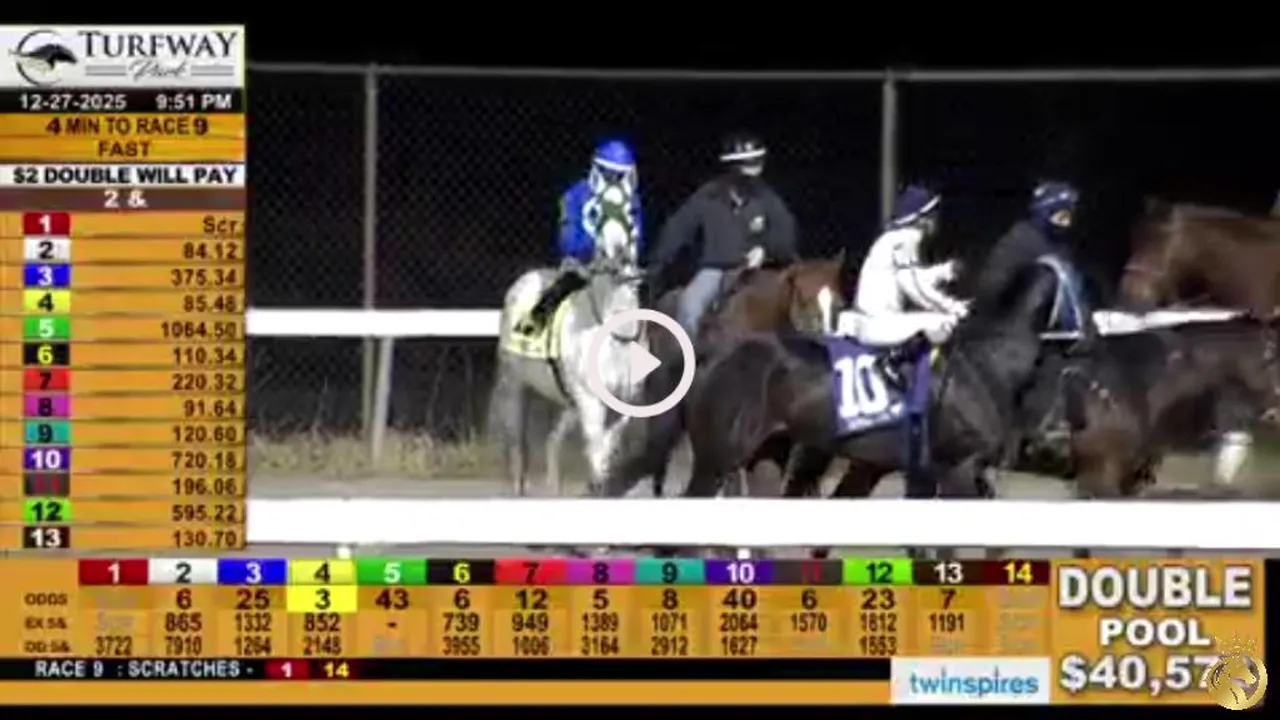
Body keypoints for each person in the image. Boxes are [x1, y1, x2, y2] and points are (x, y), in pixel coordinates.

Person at [652, 131, 799, 342]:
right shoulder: (708, 195)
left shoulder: (768, 198)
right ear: (732, 167)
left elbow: (786, 234)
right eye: (747, 164)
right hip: (715, 269)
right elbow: (679, 227)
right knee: (689, 305)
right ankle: (690, 356)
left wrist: (766, 249)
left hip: (755, 271)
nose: (753, 170)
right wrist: (658, 261)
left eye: (757, 162)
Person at [515, 139, 642, 336]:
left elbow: (637, 236)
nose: (614, 182)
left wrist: (629, 255)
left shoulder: (632, 201)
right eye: (609, 175)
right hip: (582, 266)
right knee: (564, 286)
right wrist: (591, 250)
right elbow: (567, 239)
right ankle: (533, 324)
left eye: (619, 176)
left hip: (620, 271)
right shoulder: (575, 195)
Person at [849, 184, 968, 387]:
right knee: (945, 323)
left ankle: (909, 362)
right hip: (877, 323)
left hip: (870, 319)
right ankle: (892, 362)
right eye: (933, 214)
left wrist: (944, 271)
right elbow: (913, 287)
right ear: (921, 217)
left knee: (937, 319)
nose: (936, 220)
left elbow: (914, 277)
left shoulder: (894, 238)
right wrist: (951, 306)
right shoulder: (908, 238)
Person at [973, 180, 1093, 342]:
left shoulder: (1059, 245)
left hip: (1051, 334)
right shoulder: (1022, 240)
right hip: (1008, 333)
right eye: (1061, 217)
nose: (1067, 224)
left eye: (1069, 217)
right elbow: (990, 289)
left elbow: (1071, 290)